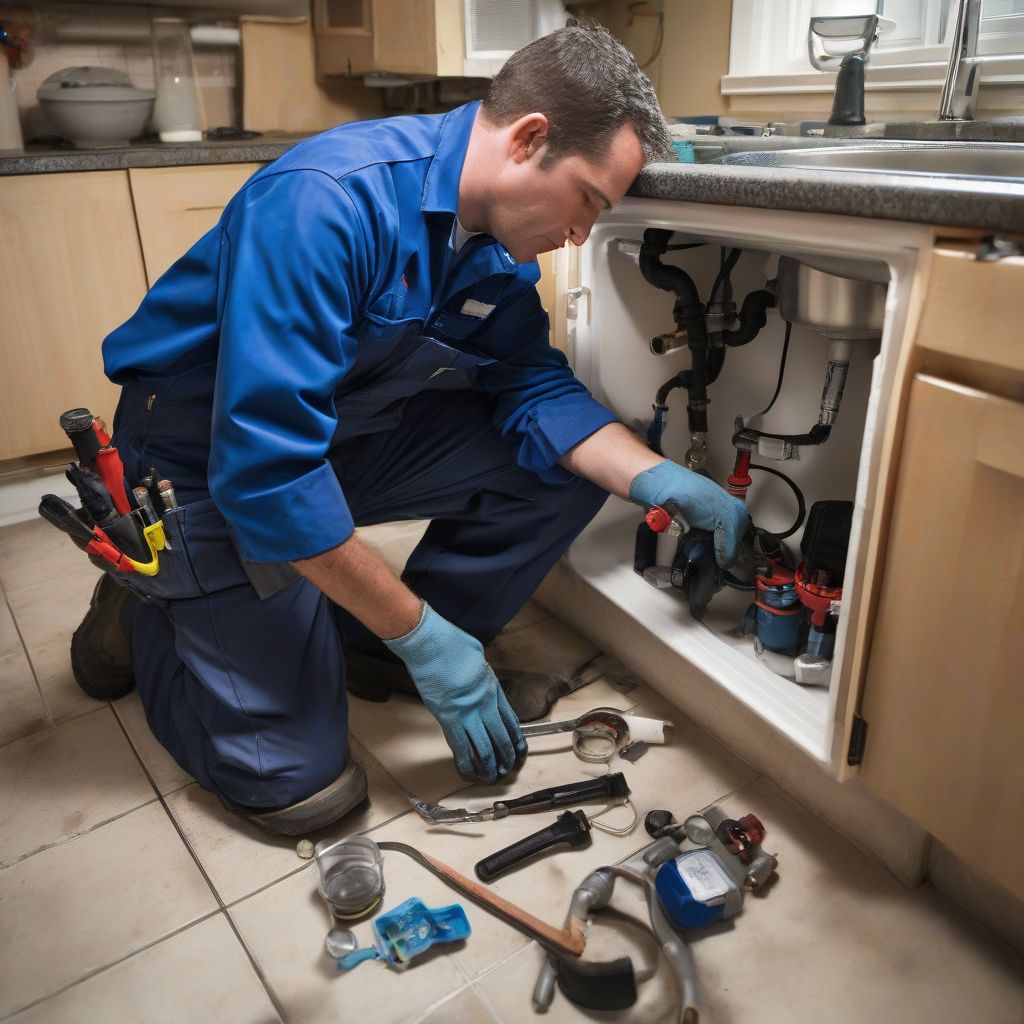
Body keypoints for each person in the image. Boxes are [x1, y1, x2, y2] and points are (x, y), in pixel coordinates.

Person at [71, 20, 748, 835]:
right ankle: (147, 598)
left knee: (565, 458)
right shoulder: (329, 201)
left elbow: (530, 383)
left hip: (333, 439)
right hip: (200, 458)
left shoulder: (490, 242)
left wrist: (657, 477)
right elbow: (268, 474)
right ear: (530, 139)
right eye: (587, 203)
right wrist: (430, 639)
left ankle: (370, 640)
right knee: (302, 789)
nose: (580, 234)